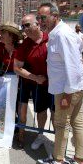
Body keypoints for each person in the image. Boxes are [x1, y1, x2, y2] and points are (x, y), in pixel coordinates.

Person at [36, 3, 83, 164]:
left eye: (43, 17)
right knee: (77, 122)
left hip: (67, 87)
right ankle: (80, 159)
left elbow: (72, 65)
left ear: (55, 15)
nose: (40, 21)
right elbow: (79, 46)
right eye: (39, 18)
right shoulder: (60, 32)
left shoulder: (62, 34)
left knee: (61, 123)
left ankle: (58, 159)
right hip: (73, 85)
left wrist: (67, 94)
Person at [13, 14, 54, 150]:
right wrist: (35, 78)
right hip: (40, 86)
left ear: (38, 23)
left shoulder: (53, 37)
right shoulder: (25, 44)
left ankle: (59, 142)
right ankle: (41, 135)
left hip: (58, 85)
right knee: (41, 112)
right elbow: (17, 68)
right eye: (23, 26)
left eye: (27, 25)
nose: (25, 29)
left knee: (57, 115)